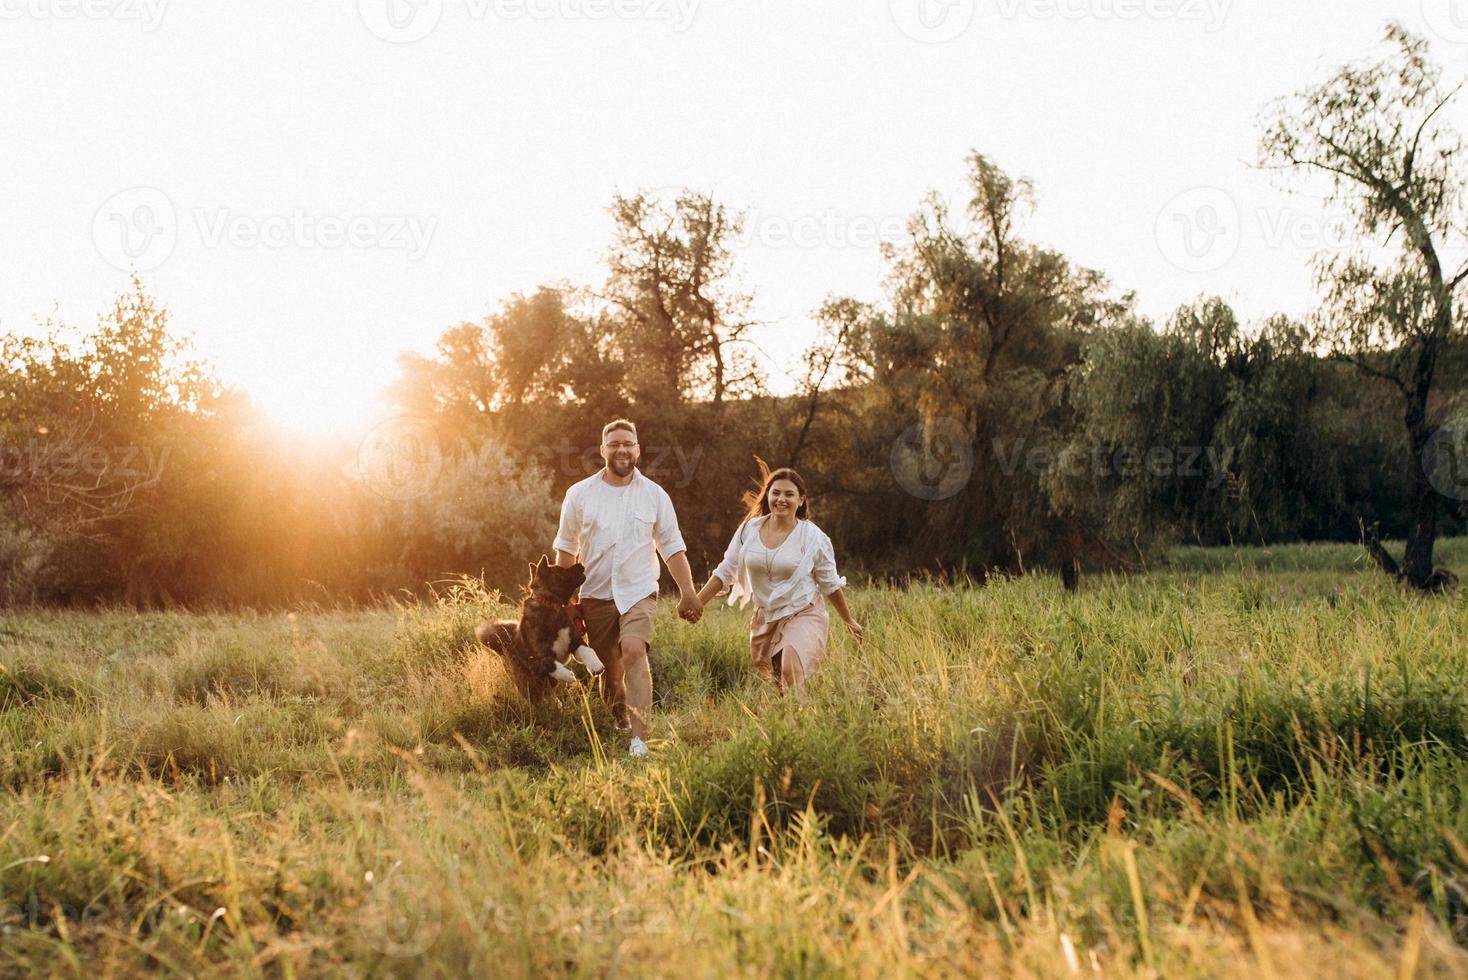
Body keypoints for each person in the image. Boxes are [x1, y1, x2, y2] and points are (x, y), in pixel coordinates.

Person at [553, 419, 702, 758]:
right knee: (611, 673)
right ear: (603, 450)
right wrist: (563, 603)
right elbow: (565, 549)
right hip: (595, 595)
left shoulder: (654, 496)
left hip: (638, 591)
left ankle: (639, 740)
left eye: (628, 443)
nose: (621, 449)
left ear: (638, 450)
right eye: (614, 443)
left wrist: (688, 592)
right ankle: (617, 721)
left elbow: (672, 546)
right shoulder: (579, 495)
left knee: (634, 651)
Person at [695, 466, 862, 692]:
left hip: (803, 611)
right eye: (776, 493)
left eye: (789, 494)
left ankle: (798, 724)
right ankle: (794, 722)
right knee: (779, 685)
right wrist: (697, 602)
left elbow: (830, 584)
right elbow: (726, 570)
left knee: (790, 669)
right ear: (768, 496)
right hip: (766, 617)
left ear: (801, 500)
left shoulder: (813, 538)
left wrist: (848, 620)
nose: (781, 499)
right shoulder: (749, 530)